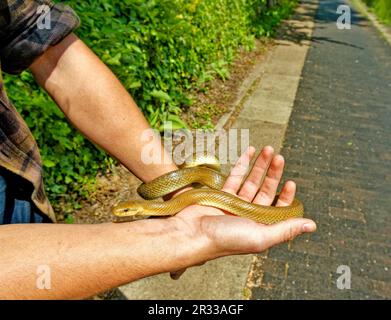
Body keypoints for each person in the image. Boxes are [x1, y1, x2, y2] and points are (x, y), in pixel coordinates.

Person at [0, 0, 316, 299]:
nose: (120, 212)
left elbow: (52, 52)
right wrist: (176, 239)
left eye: (126, 211)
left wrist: (175, 191)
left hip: (18, 188)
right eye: (126, 212)